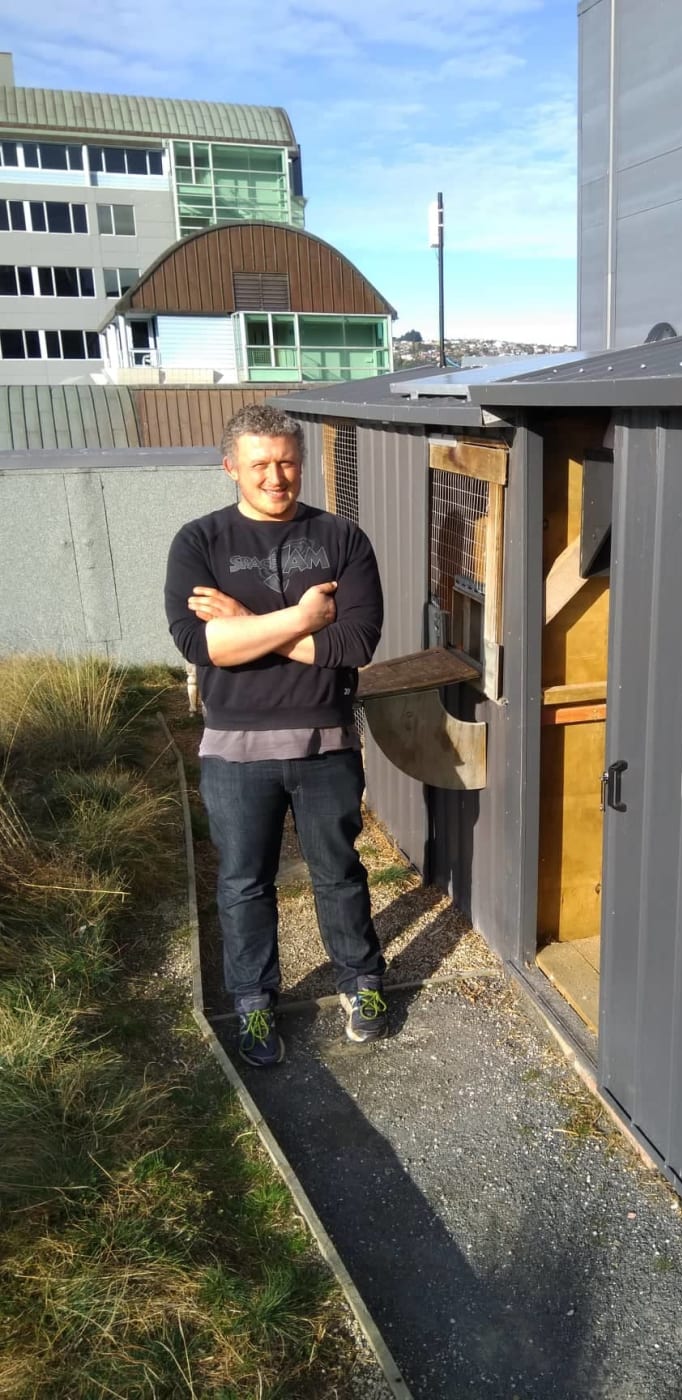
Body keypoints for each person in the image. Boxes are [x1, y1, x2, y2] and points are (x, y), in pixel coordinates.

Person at [164, 404, 386, 1066]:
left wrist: (250, 620)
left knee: (339, 871)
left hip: (326, 744)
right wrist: (299, 618)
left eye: (286, 460)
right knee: (243, 884)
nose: (275, 476)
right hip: (236, 750)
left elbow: (353, 642)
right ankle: (254, 1005)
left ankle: (363, 984)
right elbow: (203, 645)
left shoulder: (343, 539)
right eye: (259, 463)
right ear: (230, 466)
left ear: (300, 459)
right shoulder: (198, 541)